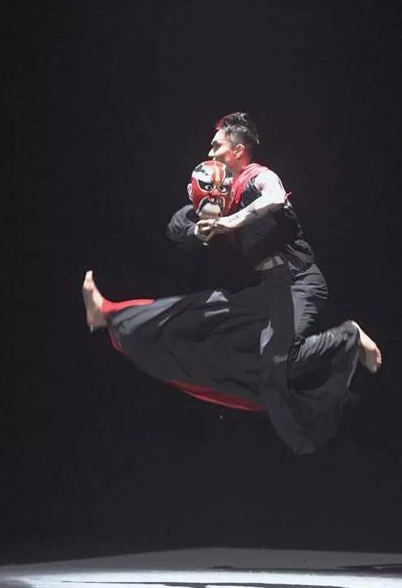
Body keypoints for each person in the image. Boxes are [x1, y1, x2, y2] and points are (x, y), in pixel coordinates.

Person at [83, 112, 381, 455]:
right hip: (270, 290)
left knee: (275, 361)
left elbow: (274, 198)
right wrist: (198, 228)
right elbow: (176, 227)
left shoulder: (258, 177)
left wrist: (229, 222)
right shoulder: (218, 192)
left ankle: (348, 336)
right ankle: (107, 312)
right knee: (198, 314)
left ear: (238, 151)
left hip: (301, 284)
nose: (210, 152)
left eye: (216, 146)